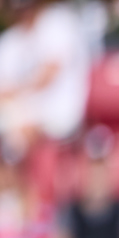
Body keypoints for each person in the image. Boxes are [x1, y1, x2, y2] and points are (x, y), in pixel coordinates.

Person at [0, 0, 89, 154]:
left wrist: (15, 91)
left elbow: (47, 77)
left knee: (14, 140)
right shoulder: (9, 39)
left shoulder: (58, 23)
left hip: (57, 110)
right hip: (19, 110)